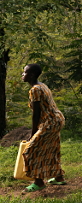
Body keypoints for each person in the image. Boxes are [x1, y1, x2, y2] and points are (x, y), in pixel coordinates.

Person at [21, 63, 66, 192]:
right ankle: (58, 177)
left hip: (49, 122)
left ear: (32, 75)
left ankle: (39, 182)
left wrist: (33, 133)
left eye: (25, 72)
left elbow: (36, 114)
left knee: (30, 150)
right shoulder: (42, 85)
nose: (22, 75)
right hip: (57, 119)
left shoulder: (35, 89)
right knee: (51, 148)